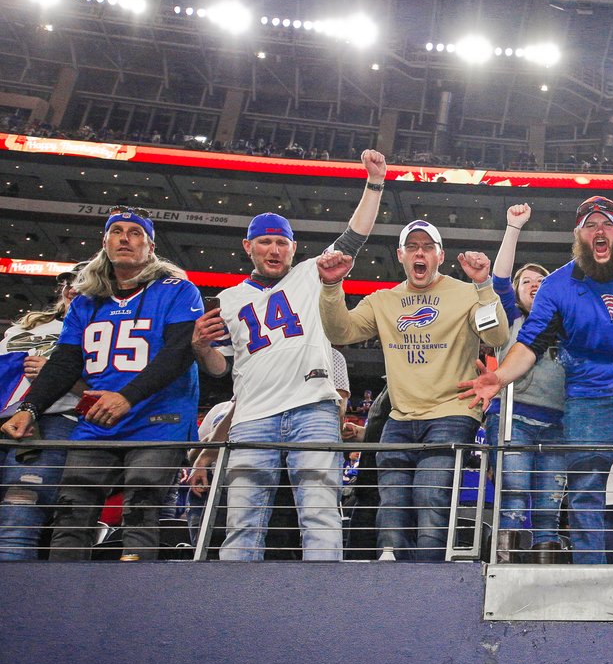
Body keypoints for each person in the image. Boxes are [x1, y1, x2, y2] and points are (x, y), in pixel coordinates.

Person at [459, 196, 613, 564]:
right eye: (591, 225)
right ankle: (588, 577)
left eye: (607, 224)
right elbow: (530, 343)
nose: (600, 231)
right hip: (588, 397)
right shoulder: (558, 285)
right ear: (578, 234)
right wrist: (498, 376)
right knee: (585, 490)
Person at [191, 150, 387, 561]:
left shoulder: (310, 274)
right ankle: (237, 607)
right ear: (249, 246)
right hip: (251, 416)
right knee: (241, 522)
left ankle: (323, 606)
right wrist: (201, 347)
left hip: (312, 407)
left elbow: (354, 236)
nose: (274, 249)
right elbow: (220, 368)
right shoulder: (227, 300)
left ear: (294, 248)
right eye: (265, 241)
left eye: (282, 242)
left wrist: (374, 183)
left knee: (320, 516)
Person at [1, 207, 203, 561]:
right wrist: (30, 408)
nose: (125, 238)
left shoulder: (177, 290)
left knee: (140, 515)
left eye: (135, 232)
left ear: (150, 246)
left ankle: (130, 608)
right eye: (117, 231)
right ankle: (64, 604)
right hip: (97, 422)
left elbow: (179, 352)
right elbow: (65, 362)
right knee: (71, 515)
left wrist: (127, 397)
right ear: (104, 242)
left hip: (157, 420)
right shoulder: (87, 302)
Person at [318, 215, 509, 561]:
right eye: (412, 246)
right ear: (401, 255)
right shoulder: (382, 300)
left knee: (430, 494)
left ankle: (428, 576)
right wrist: (331, 288)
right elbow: (340, 333)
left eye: (427, 247)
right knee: (390, 497)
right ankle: (391, 572)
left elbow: (497, 337)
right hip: (400, 416)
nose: (419, 253)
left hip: (452, 411)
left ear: (440, 255)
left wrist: (483, 285)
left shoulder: (467, 293)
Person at [486, 202, 568, 563]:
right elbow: (500, 278)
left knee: (551, 504)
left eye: (542, 282)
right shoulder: (509, 318)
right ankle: (507, 572)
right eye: (528, 282)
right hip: (512, 418)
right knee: (515, 495)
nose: (535, 285)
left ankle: (545, 578)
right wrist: (513, 228)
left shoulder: (569, 324)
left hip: (558, 425)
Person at [0, 261, 85, 560]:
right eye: (69, 282)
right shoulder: (26, 325)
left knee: (18, 515)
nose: (73, 287)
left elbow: (104, 397)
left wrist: (58, 376)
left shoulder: (104, 329)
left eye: (84, 281)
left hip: (54, 422)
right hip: (4, 417)